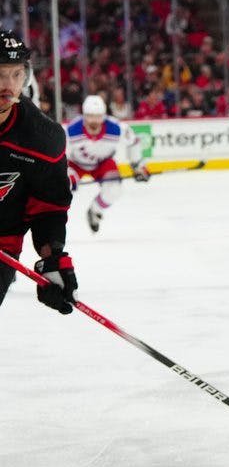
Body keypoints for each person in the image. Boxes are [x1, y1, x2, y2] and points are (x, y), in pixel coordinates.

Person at [0, 31, 77, 314]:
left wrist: (52, 258)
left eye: (16, 74)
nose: (8, 86)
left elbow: (48, 207)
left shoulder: (42, 138)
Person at [65, 95, 151, 233]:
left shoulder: (117, 128)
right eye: (90, 116)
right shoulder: (71, 130)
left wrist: (138, 166)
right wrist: (66, 177)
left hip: (103, 163)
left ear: (104, 115)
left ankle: (95, 211)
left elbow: (134, 143)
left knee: (114, 189)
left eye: (98, 116)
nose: (94, 120)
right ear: (84, 115)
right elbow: (61, 156)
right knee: (63, 188)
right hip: (75, 164)